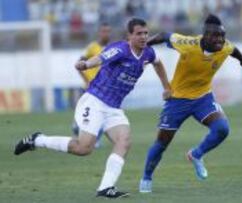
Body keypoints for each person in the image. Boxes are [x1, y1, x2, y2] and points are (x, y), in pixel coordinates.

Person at [14, 18, 171, 198]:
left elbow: (158, 63)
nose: (143, 37)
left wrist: (167, 86)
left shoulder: (148, 53)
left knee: (124, 141)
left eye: (145, 33)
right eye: (139, 34)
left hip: (114, 108)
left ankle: (106, 187)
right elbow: (100, 58)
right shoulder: (121, 49)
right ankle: (37, 140)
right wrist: (86, 64)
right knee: (83, 148)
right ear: (129, 36)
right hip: (95, 102)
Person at [139, 14, 242, 193]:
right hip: (177, 100)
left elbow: (233, 50)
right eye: (215, 36)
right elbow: (164, 35)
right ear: (205, 35)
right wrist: (145, 45)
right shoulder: (188, 44)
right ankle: (146, 178)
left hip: (203, 99)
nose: (220, 40)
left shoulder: (225, 46)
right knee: (162, 143)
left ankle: (196, 155)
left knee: (222, 128)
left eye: (222, 36)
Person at [72, 22, 112, 148]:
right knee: (90, 115)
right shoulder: (92, 47)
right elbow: (79, 63)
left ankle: (94, 139)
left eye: (108, 31)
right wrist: (86, 80)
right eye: (104, 31)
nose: (106, 34)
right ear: (99, 33)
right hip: (90, 88)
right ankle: (78, 127)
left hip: (104, 88)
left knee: (100, 114)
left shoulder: (113, 48)